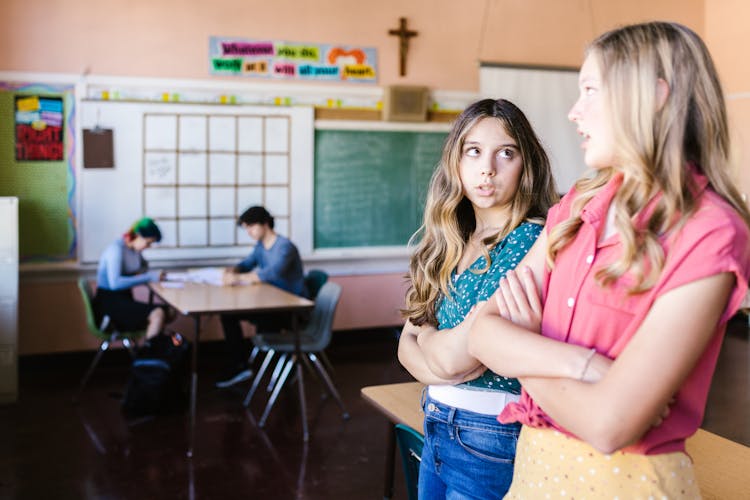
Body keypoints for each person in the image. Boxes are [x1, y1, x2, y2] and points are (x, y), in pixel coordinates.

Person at [468, 21, 750, 498]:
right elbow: (481, 332)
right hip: (532, 474)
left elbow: (608, 424)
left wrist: (526, 349)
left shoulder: (710, 232)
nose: (574, 112)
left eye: (590, 90)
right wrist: (585, 366)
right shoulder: (579, 204)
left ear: (655, 96)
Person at [398, 98, 612, 499]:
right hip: (436, 422)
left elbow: (451, 356)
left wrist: (426, 341)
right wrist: (433, 353)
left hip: (490, 435)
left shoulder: (529, 241)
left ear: (524, 165)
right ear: (456, 162)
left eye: (506, 153)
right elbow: (406, 349)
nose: (487, 169)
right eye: (473, 151)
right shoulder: (450, 240)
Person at [216, 205, 307, 388]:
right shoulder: (260, 246)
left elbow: (272, 274)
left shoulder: (285, 247)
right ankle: (240, 365)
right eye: (246, 227)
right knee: (228, 314)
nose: (248, 231)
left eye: (251, 226)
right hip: (271, 304)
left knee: (253, 320)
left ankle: (255, 366)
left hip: (290, 309)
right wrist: (231, 270)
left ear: (265, 224)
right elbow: (247, 264)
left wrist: (238, 278)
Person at [95, 217, 166, 339]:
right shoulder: (116, 249)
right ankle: (149, 355)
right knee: (158, 313)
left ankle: (154, 348)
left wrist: (152, 275)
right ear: (137, 235)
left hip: (124, 299)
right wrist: (148, 277)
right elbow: (115, 284)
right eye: (148, 243)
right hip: (110, 303)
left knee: (169, 311)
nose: (148, 247)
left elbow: (143, 268)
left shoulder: (134, 249)